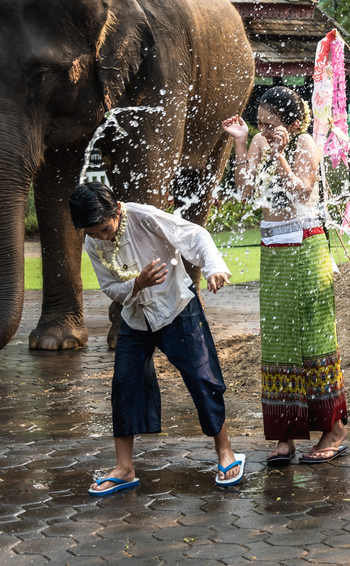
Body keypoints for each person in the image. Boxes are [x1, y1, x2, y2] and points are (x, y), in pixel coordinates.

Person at [70, 182, 243, 495]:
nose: (100, 238)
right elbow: (110, 288)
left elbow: (197, 235)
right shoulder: (93, 240)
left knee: (202, 378)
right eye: (92, 233)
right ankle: (124, 468)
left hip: (176, 307)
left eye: (104, 229)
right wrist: (137, 284)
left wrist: (215, 266)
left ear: (117, 210)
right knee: (124, 385)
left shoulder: (144, 217)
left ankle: (226, 452)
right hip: (135, 318)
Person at [223, 86, 347, 466]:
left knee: (314, 335)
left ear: (293, 123)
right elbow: (244, 192)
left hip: (307, 248)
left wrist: (280, 156)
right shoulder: (259, 140)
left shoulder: (306, 144)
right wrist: (243, 144)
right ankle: (286, 433)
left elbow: (302, 191)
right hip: (274, 250)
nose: (263, 129)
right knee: (278, 338)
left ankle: (334, 429)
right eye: (259, 123)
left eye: (270, 124)